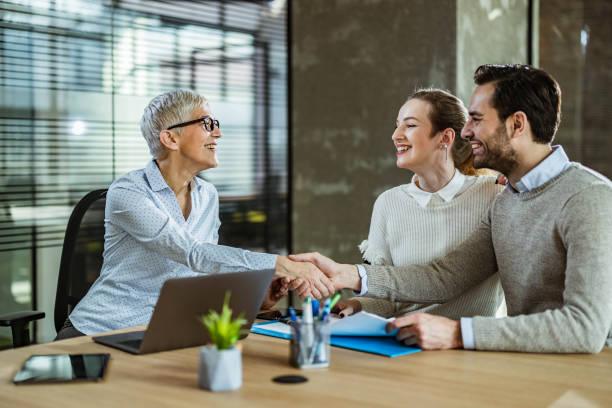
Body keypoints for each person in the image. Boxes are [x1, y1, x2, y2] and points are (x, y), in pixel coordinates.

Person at [292, 64, 612, 353]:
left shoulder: (589, 197)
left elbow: (584, 328)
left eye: (476, 119)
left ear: (517, 124)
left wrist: (458, 333)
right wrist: (348, 274)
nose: (466, 131)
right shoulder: (508, 199)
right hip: (527, 365)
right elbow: (445, 277)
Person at [57, 90, 332, 339]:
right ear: (170, 138)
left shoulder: (207, 195)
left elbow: (203, 270)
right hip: (102, 332)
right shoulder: (129, 191)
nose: (217, 134)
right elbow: (193, 253)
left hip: (168, 330)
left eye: (216, 124)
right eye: (206, 124)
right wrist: (283, 265)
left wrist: (258, 298)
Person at [336, 89, 504, 320]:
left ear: (445, 138)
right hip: (403, 344)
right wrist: (356, 306)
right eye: (397, 125)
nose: (396, 135)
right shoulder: (388, 203)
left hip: (468, 347)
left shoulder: (494, 194)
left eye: (410, 125)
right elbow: (389, 299)